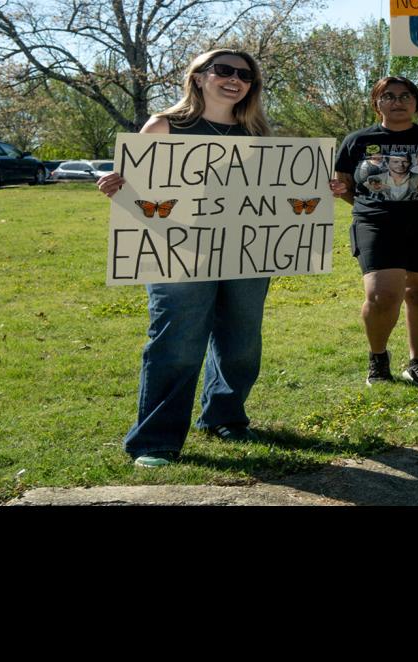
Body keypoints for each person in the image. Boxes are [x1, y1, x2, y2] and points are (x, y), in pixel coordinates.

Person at [96, 48, 272, 468]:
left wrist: (320, 190)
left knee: (241, 341)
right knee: (176, 342)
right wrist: (116, 185)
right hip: (177, 251)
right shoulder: (164, 126)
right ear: (198, 77)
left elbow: (275, 192)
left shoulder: (259, 133)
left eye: (245, 75)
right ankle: (155, 439)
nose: (235, 79)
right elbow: (137, 189)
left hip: (246, 250)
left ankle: (225, 416)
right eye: (223, 70)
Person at [330, 77, 418, 386]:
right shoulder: (356, 141)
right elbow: (345, 186)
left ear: (416, 103)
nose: (398, 102)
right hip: (376, 226)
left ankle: (417, 363)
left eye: (406, 96)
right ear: (376, 103)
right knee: (381, 295)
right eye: (388, 96)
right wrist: (375, 206)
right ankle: (378, 360)